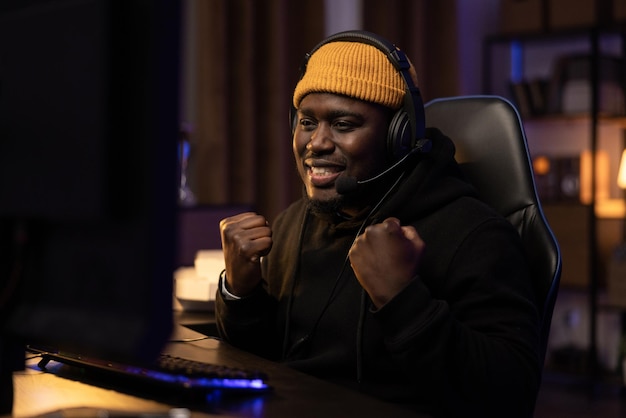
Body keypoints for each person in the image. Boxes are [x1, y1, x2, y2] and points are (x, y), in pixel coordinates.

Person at [215, 30, 541, 418]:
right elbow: (264, 361)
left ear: (398, 136)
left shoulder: (473, 234)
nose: (315, 143)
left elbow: (512, 394)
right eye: (306, 121)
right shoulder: (291, 226)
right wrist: (240, 291)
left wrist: (402, 300)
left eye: (343, 124)